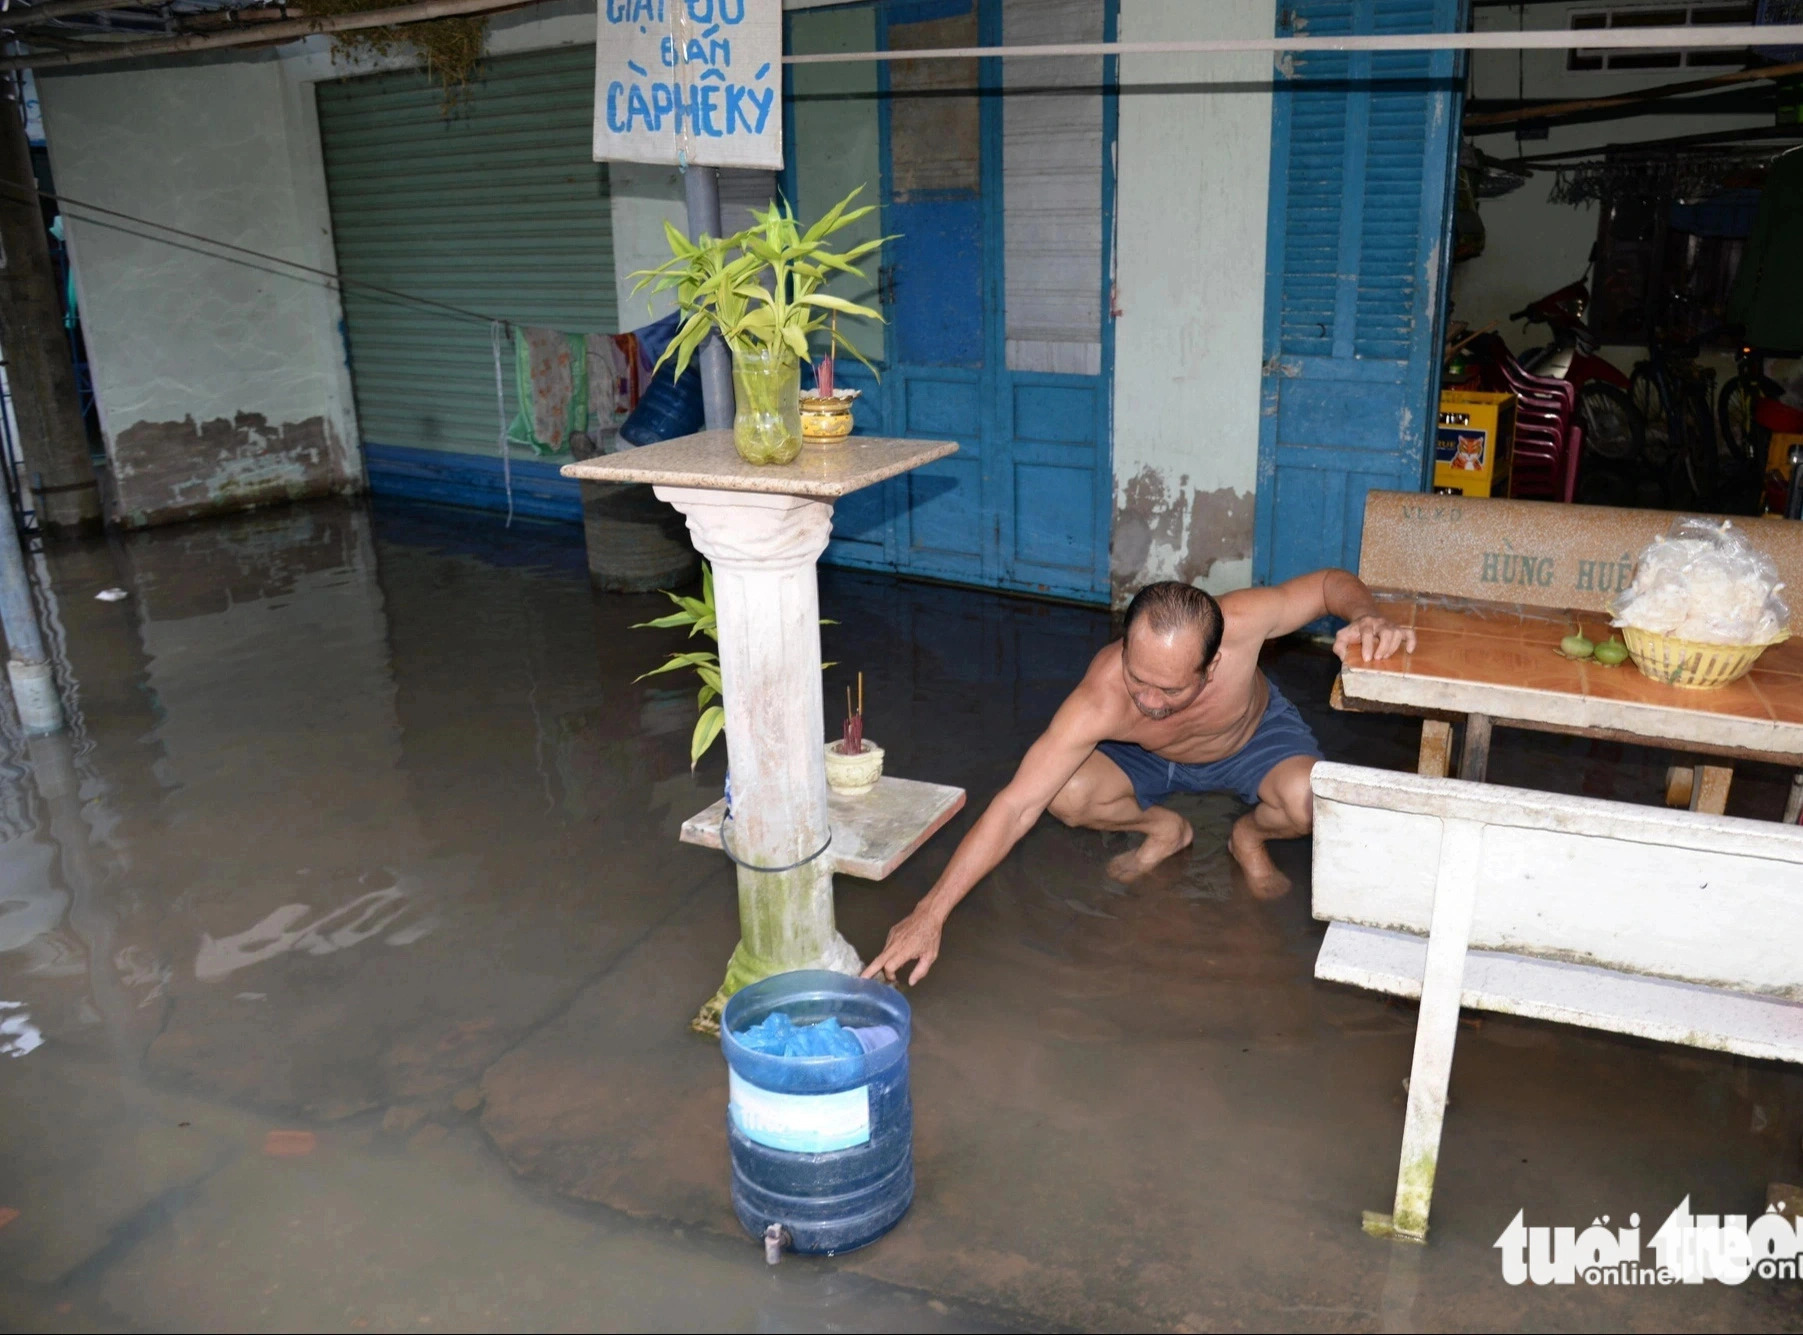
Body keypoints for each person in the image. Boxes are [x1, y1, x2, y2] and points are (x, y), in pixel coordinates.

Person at [863, 570, 1415, 986]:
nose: (1149, 701)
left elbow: (1326, 585)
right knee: (1066, 793)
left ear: (1213, 664)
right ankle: (1165, 829)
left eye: (1170, 690)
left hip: (1249, 741)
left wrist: (1365, 616)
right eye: (1138, 678)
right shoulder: (1104, 695)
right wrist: (928, 914)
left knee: (1312, 803)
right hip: (1148, 756)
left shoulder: (1245, 624)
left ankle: (1250, 835)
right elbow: (1015, 806)